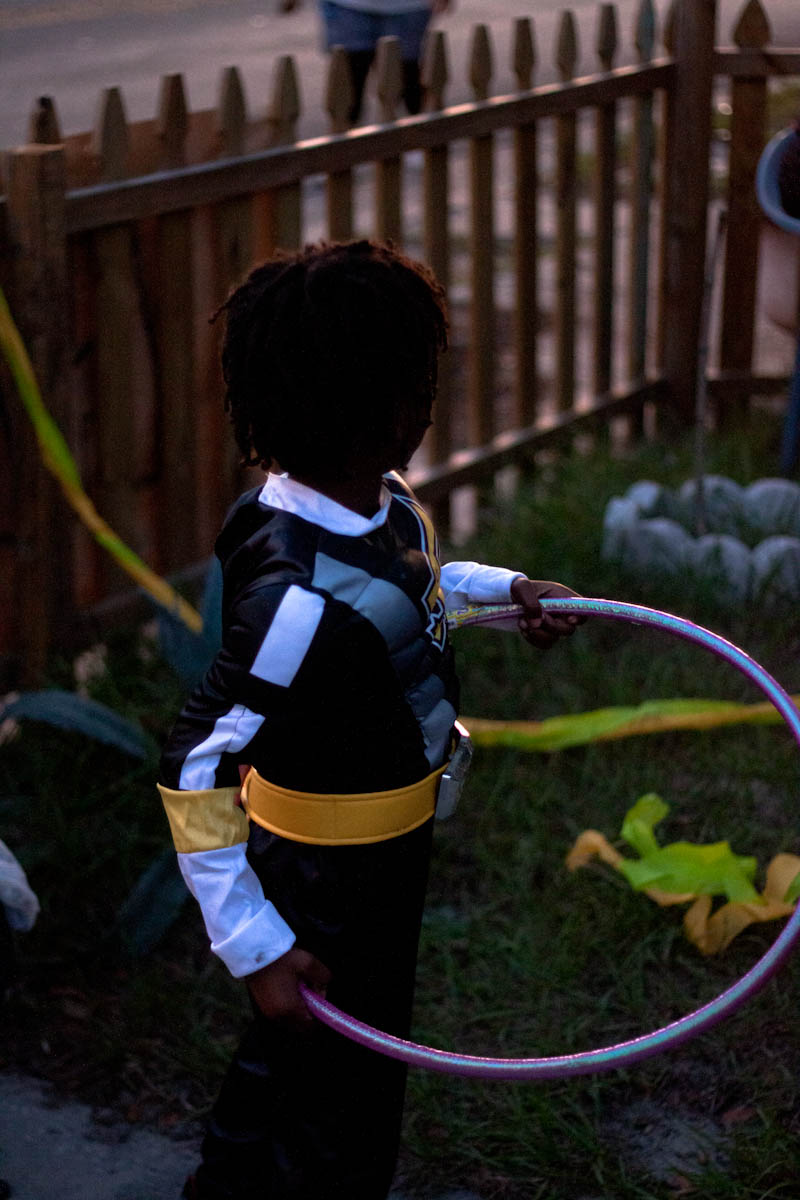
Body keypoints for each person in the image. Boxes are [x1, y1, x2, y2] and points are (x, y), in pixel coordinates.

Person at [157, 239, 581, 1200]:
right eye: (421, 382)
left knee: (297, 1067)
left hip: (387, 855)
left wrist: (505, 592)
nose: (432, 400)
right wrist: (256, 945)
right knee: (345, 1105)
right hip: (324, 877)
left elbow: (406, 596)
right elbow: (195, 761)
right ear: (389, 411)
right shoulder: (293, 600)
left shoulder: (372, 503)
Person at [280, 0, 451, 125]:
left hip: (408, 7)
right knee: (350, 75)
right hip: (347, 6)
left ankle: (414, 135)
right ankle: (347, 145)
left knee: (405, 75)